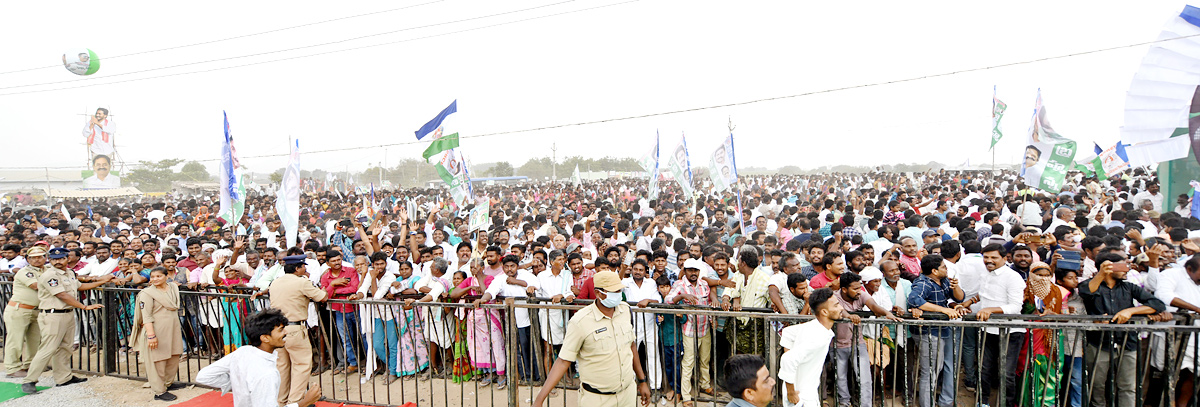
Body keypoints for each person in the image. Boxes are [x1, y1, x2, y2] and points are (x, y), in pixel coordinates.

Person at [532, 270, 653, 407]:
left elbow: (631, 346)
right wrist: (539, 400)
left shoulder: (625, 310)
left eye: (620, 290)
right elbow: (563, 361)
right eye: (614, 291)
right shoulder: (580, 321)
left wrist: (642, 381)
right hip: (597, 399)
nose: (619, 295)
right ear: (598, 293)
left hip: (627, 394)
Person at [1077, 251, 1166, 407]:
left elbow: (1157, 305)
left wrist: (1131, 311)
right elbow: (1086, 292)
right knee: (1096, 386)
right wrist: (1101, 274)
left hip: (1127, 343)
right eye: (1123, 265)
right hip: (1099, 343)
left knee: (1128, 387)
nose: (1127, 269)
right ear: (1108, 267)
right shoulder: (1091, 284)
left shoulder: (1129, 287)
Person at [22, 247, 111, 394]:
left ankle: (63, 377)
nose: (58, 261)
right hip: (52, 314)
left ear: (67, 259)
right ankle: (30, 380)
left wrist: (101, 281)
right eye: (54, 259)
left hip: (67, 313)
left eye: (61, 258)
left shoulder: (69, 272)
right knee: (48, 348)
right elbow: (62, 295)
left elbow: (80, 286)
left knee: (65, 347)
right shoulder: (49, 275)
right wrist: (84, 306)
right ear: (49, 260)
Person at [196, 308, 322, 407]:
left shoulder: (243, 351)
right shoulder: (267, 374)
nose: (286, 332)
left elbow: (204, 376)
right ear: (265, 338)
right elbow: (203, 377)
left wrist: (241, 384)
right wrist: (304, 403)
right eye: (281, 330)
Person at [256, 254, 334, 407]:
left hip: (276, 330)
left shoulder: (275, 282)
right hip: (294, 328)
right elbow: (322, 297)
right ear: (297, 268)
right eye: (303, 266)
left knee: (282, 366)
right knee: (301, 366)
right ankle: (296, 402)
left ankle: (281, 401)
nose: (305, 269)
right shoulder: (301, 282)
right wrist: (328, 287)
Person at [907, 254, 965, 407]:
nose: (947, 269)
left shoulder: (944, 280)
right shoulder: (923, 283)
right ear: (934, 271)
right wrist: (944, 310)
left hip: (941, 330)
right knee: (930, 371)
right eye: (943, 267)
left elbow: (959, 298)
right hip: (929, 332)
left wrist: (956, 287)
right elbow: (914, 300)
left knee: (937, 368)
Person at [130, 266, 187, 400]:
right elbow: (147, 316)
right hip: (156, 330)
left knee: (173, 356)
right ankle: (159, 391)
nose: (155, 279)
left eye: (159, 276)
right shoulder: (147, 293)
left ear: (167, 276)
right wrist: (151, 335)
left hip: (172, 329)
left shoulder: (172, 288)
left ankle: (167, 382)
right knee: (158, 360)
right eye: (153, 276)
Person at [778, 287, 840, 407]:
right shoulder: (818, 338)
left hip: (807, 393)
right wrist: (791, 392)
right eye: (836, 305)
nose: (841, 308)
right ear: (824, 312)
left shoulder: (814, 326)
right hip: (801, 398)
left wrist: (790, 349)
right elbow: (788, 359)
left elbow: (788, 332)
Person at [667, 258, 717, 406]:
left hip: (704, 328)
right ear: (685, 271)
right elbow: (668, 299)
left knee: (705, 359)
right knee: (688, 363)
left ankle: (705, 384)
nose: (693, 273)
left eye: (696, 270)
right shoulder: (679, 284)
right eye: (690, 270)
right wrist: (682, 296)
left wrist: (712, 317)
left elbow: (708, 301)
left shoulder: (704, 284)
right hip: (689, 329)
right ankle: (686, 396)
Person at [5, 246, 47, 379]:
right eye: (33, 258)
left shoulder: (47, 270)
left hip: (36, 310)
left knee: (34, 340)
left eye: (40, 257)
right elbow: (36, 286)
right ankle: (13, 368)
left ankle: (30, 365)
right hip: (19, 309)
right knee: (15, 340)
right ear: (28, 259)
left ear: (45, 258)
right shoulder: (25, 271)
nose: (36, 260)